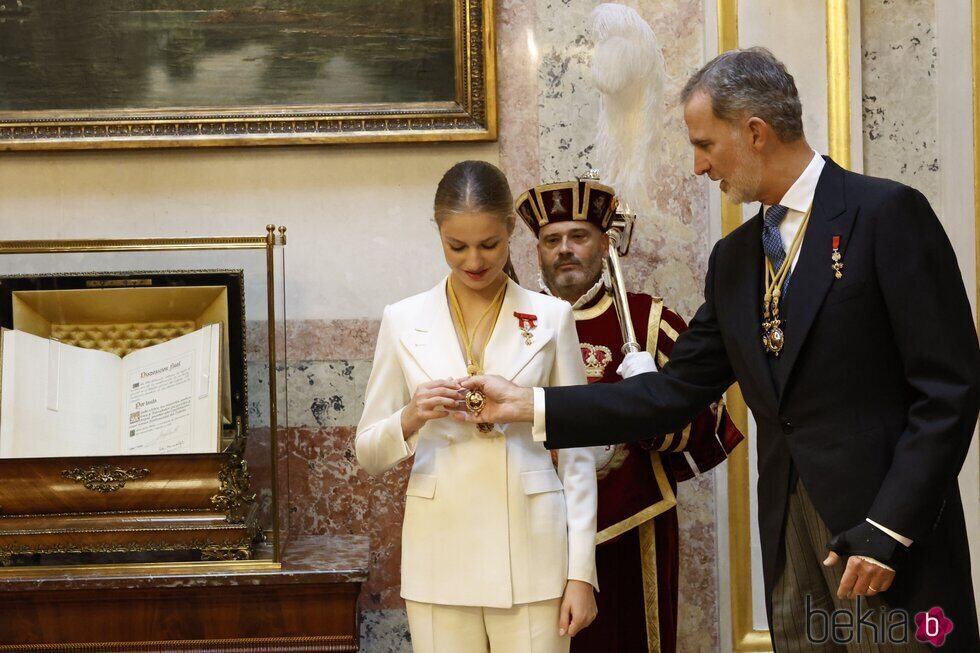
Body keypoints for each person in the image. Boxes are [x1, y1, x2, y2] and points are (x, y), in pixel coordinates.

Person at [459, 49, 979, 652]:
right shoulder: (734, 260)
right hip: (791, 538)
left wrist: (892, 526)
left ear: (754, 133)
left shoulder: (885, 214)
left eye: (705, 144)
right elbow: (672, 392)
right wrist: (531, 405)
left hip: (885, 537)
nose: (699, 166)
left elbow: (949, 389)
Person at [355, 160, 599, 653]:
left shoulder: (552, 317)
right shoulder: (403, 320)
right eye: (456, 246)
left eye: (489, 245)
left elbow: (579, 456)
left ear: (511, 230)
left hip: (536, 556)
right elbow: (368, 452)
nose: (473, 261)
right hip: (439, 556)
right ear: (439, 234)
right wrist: (412, 415)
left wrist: (581, 574)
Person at [517, 176, 743, 653]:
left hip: (632, 524)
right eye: (551, 240)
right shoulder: (514, 325)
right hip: (533, 527)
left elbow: (710, 426)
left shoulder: (648, 321)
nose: (565, 250)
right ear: (536, 250)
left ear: (605, 242)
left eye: (578, 236)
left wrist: (653, 403)